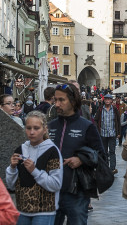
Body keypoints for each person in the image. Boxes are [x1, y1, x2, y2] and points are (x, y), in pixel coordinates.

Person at [48, 83, 104, 224]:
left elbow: (101, 155)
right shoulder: (50, 126)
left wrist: (81, 159)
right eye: (55, 100)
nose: (57, 104)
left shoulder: (86, 126)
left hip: (76, 192)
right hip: (50, 191)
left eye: (61, 100)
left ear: (72, 101)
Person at [6, 111, 63, 225]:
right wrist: (12, 168)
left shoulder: (52, 151)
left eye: (36, 128)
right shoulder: (20, 150)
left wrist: (34, 171)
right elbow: (11, 185)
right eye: (28, 128)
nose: (32, 132)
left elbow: (56, 184)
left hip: (45, 210)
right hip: (22, 210)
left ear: (45, 129)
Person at [94, 93, 121, 175]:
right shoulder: (100, 109)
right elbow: (95, 119)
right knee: (104, 151)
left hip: (112, 133)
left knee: (112, 151)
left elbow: (118, 121)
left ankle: (112, 169)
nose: (107, 101)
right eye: (106, 99)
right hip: (103, 133)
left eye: (109, 99)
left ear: (111, 100)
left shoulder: (115, 109)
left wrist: (119, 132)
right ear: (104, 100)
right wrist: (97, 130)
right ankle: (105, 167)